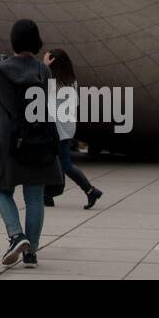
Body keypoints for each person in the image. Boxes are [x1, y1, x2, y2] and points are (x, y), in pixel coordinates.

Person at [0, 20, 63, 269]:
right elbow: (49, 102)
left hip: (7, 139)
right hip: (37, 137)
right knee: (34, 195)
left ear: (13, 40)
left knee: (1, 189)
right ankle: (31, 252)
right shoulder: (44, 71)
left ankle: (17, 235)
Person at [44, 50, 103, 210]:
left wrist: (44, 67)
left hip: (58, 128)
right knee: (54, 161)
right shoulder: (70, 81)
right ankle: (48, 194)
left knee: (64, 164)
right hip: (66, 126)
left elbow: (41, 85)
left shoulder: (54, 82)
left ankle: (90, 190)